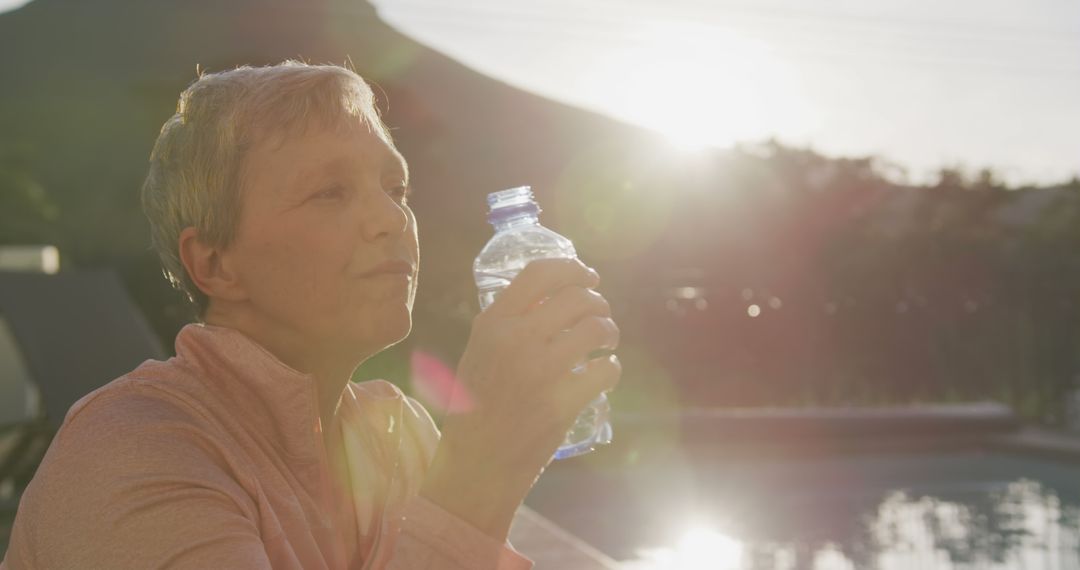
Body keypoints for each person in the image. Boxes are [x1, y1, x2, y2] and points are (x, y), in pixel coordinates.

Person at [0, 61, 620, 569]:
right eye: (330, 192)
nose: (390, 218)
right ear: (215, 264)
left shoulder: (395, 436)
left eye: (395, 188)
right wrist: (478, 473)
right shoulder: (135, 450)